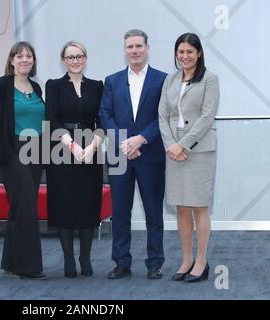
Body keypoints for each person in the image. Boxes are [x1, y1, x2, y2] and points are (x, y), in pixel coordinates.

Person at [99, 29, 167, 280]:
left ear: (147, 48)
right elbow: (105, 115)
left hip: (151, 153)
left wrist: (141, 139)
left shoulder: (163, 80)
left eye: (139, 46)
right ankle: (121, 262)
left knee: (153, 211)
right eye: (130, 47)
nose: (135, 50)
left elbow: (165, 117)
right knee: (120, 211)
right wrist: (125, 142)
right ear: (125, 50)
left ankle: (155, 262)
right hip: (119, 155)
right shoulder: (112, 80)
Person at [158, 33, 219, 282]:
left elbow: (207, 117)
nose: (184, 56)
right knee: (181, 206)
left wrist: (183, 144)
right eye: (180, 52)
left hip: (199, 150)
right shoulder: (170, 80)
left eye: (189, 52)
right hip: (174, 151)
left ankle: (201, 262)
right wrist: (171, 145)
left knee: (199, 206)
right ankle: (186, 260)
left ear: (199, 53)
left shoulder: (210, 79)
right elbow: (162, 115)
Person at [0, 42, 46, 280]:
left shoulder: (37, 88)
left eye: (29, 56)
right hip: (11, 152)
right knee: (28, 206)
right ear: (11, 60)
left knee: (19, 206)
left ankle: (10, 261)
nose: (24, 60)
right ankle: (28, 267)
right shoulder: (0, 86)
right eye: (19, 56)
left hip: (37, 152)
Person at [46, 41, 104, 278]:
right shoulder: (54, 86)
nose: (75, 60)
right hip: (61, 148)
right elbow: (52, 120)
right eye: (70, 57)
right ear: (63, 60)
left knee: (88, 204)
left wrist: (91, 147)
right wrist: (72, 146)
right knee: (65, 204)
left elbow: (102, 121)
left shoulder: (97, 86)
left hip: (91, 147)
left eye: (79, 56)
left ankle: (85, 258)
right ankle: (69, 259)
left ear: (86, 58)